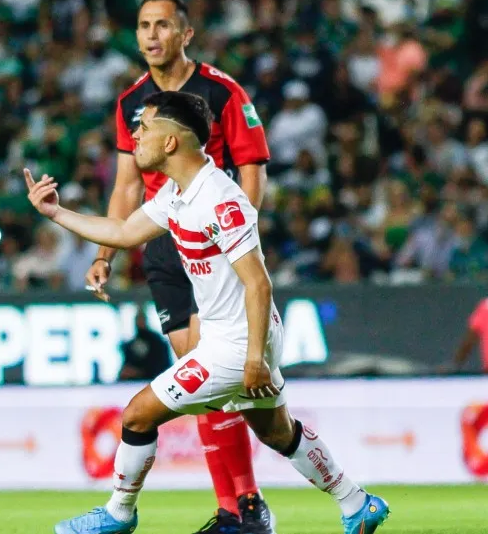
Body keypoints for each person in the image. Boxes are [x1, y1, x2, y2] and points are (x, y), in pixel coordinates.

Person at [26, 91, 389, 534]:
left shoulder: (220, 200)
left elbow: (258, 282)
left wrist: (254, 358)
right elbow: (122, 232)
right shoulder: (181, 193)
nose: (135, 135)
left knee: (137, 415)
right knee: (277, 432)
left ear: (172, 142)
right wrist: (55, 212)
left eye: (146, 127)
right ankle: (357, 503)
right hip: (236, 334)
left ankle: (118, 514)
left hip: (237, 342)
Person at [84, 0, 274, 533]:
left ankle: (247, 505)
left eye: (162, 25)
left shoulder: (221, 91)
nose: (151, 35)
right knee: (200, 374)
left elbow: (252, 169)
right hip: (163, 244)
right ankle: (238, 506)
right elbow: (125, 185)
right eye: (143, 25)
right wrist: (106, 254)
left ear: (185, 33)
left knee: (212, 372)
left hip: (215, 238)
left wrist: (238, 232)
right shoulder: (131, 103)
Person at [119, 308, 172, 381]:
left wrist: (139, 372)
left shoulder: (158, 343)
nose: (139, 322)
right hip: (134, 384)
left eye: (141, 320)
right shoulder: (130, 344)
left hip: (155, 382)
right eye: (138, 320)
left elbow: (162, 366)